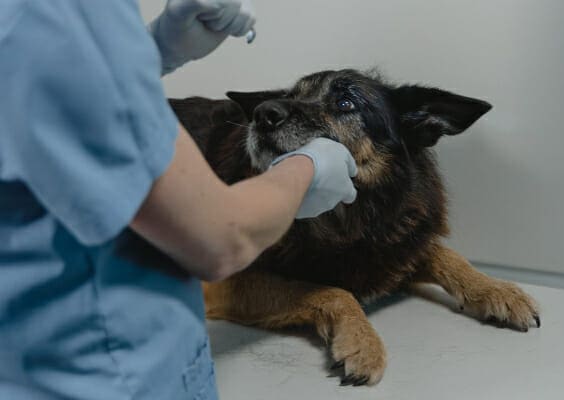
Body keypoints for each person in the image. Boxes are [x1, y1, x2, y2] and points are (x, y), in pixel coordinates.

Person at [0, 1, 358, 399]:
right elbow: (222, 238)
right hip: (107, 376)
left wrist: (152, 49)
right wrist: (306, 170)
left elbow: (32, 86)